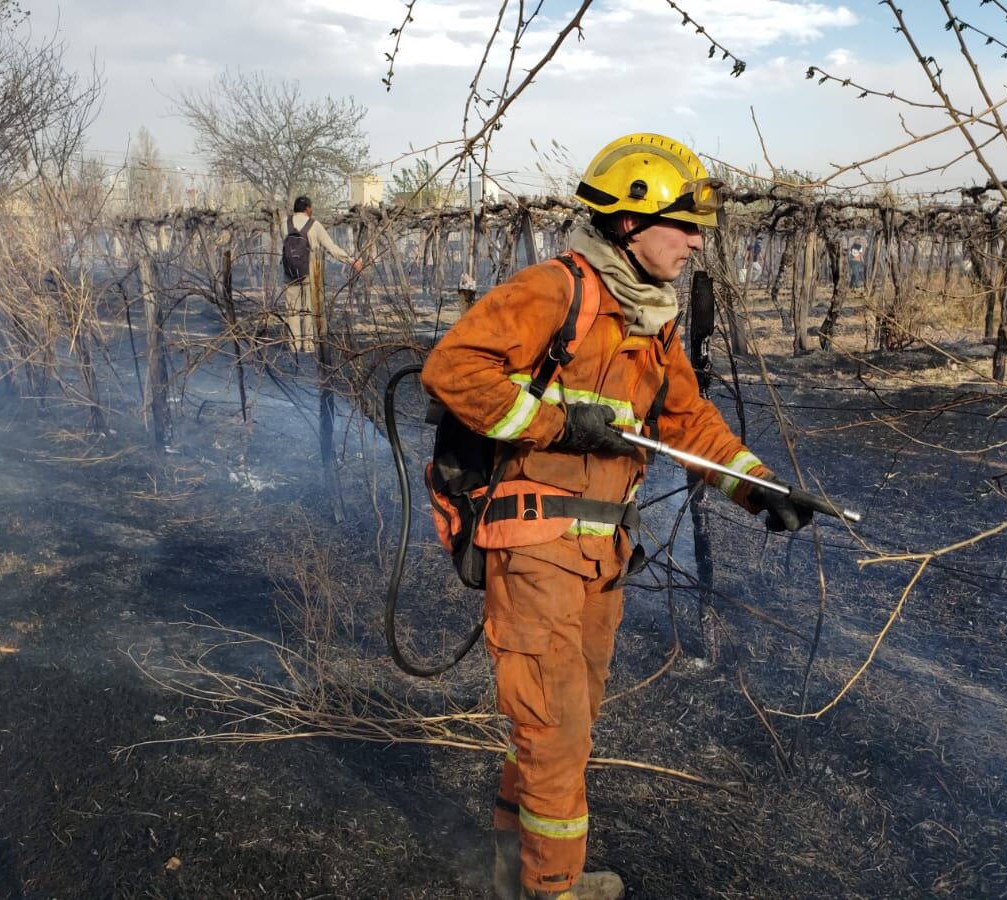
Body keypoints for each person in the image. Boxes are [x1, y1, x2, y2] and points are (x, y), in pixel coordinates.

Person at [421, 133, 817, 900]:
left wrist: (758, 486)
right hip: (535, 543)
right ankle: (553, 890)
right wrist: (558, 425)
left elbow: (685, 419)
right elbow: (453, 369)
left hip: (599, 554)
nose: (698, 242)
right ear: (630, 225)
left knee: (559, 729)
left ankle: (517, 870)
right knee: (556, 727)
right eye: (685, 224)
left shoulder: (649, 318)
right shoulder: (556, 291)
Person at [282, 195, 362, 352]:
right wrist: (352, 261)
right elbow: (332, 248)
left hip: (289, 273)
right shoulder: (314, 225)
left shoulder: (284, 223)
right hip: (309, 273)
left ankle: (293, 346)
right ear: (308, 209)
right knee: (309, 309)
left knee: (292, 310)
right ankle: (309, 345)